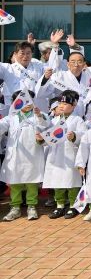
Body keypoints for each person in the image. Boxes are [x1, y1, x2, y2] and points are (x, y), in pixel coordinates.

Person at [0, 91, 47, 221]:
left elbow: (46, 126)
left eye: (29, 100)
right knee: (15, 181)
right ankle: (15, 208)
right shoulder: (11, 118)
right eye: (23, 101)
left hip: (32, 154)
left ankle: (32, 206)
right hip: (15, 156)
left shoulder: (38, 116)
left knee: (32, 181)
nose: (27, 104)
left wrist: (40, 116)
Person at [42, 91, 84, 219]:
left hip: (70, 154)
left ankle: (73, 205)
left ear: (73, 106)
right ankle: (59, 205)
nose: (61, 106)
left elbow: (84, 135)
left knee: (72, 182)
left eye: (65, 104)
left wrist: (74, 136)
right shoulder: (53, 120)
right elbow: (48, 137)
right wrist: (41, 138)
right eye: (60, 103)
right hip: (55, 155)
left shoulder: (77, 120)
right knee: (57, 181)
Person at [37, 50, 91, 117]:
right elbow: (40, 93)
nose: (76, 65)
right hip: (65, 116)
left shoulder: (90, 76)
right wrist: (45, 78)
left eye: (79, 62)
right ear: (68, 64)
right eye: (73, 62)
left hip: (87, 115)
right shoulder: (58, 76)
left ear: (84, 64)